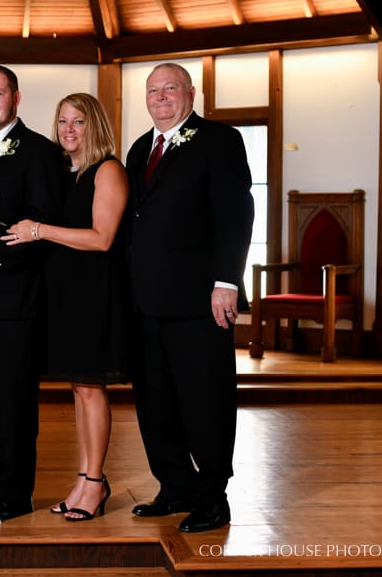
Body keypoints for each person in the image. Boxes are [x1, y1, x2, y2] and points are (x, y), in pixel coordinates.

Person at [125, 62, 254, 533]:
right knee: (156, 403)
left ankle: (213, 497)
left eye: (170, 89)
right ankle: (174, 485)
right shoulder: (140, 149)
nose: (161, 97)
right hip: (145, 303)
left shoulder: (220, 140)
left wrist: (227, 281)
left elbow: (236, 213)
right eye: (153, 90)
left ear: (190, 93)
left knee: (205, 401)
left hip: (200, 302)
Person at [4, 92, 130, 522]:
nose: (69, 130)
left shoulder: (107, 170)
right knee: (80, 390)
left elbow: (102, 238)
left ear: (94, 125)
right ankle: (84, 480)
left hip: (95, 294)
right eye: (62, 122)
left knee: (92, 389)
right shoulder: (70, 174)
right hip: (68, 294)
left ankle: (94, 483)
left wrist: (39, 230)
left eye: (78, 121)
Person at [0, 65, 65, 521]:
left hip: (15, 301)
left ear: (15, 98)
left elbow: (42, 222)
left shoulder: (40, 152)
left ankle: (13, 496)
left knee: (13, 403)